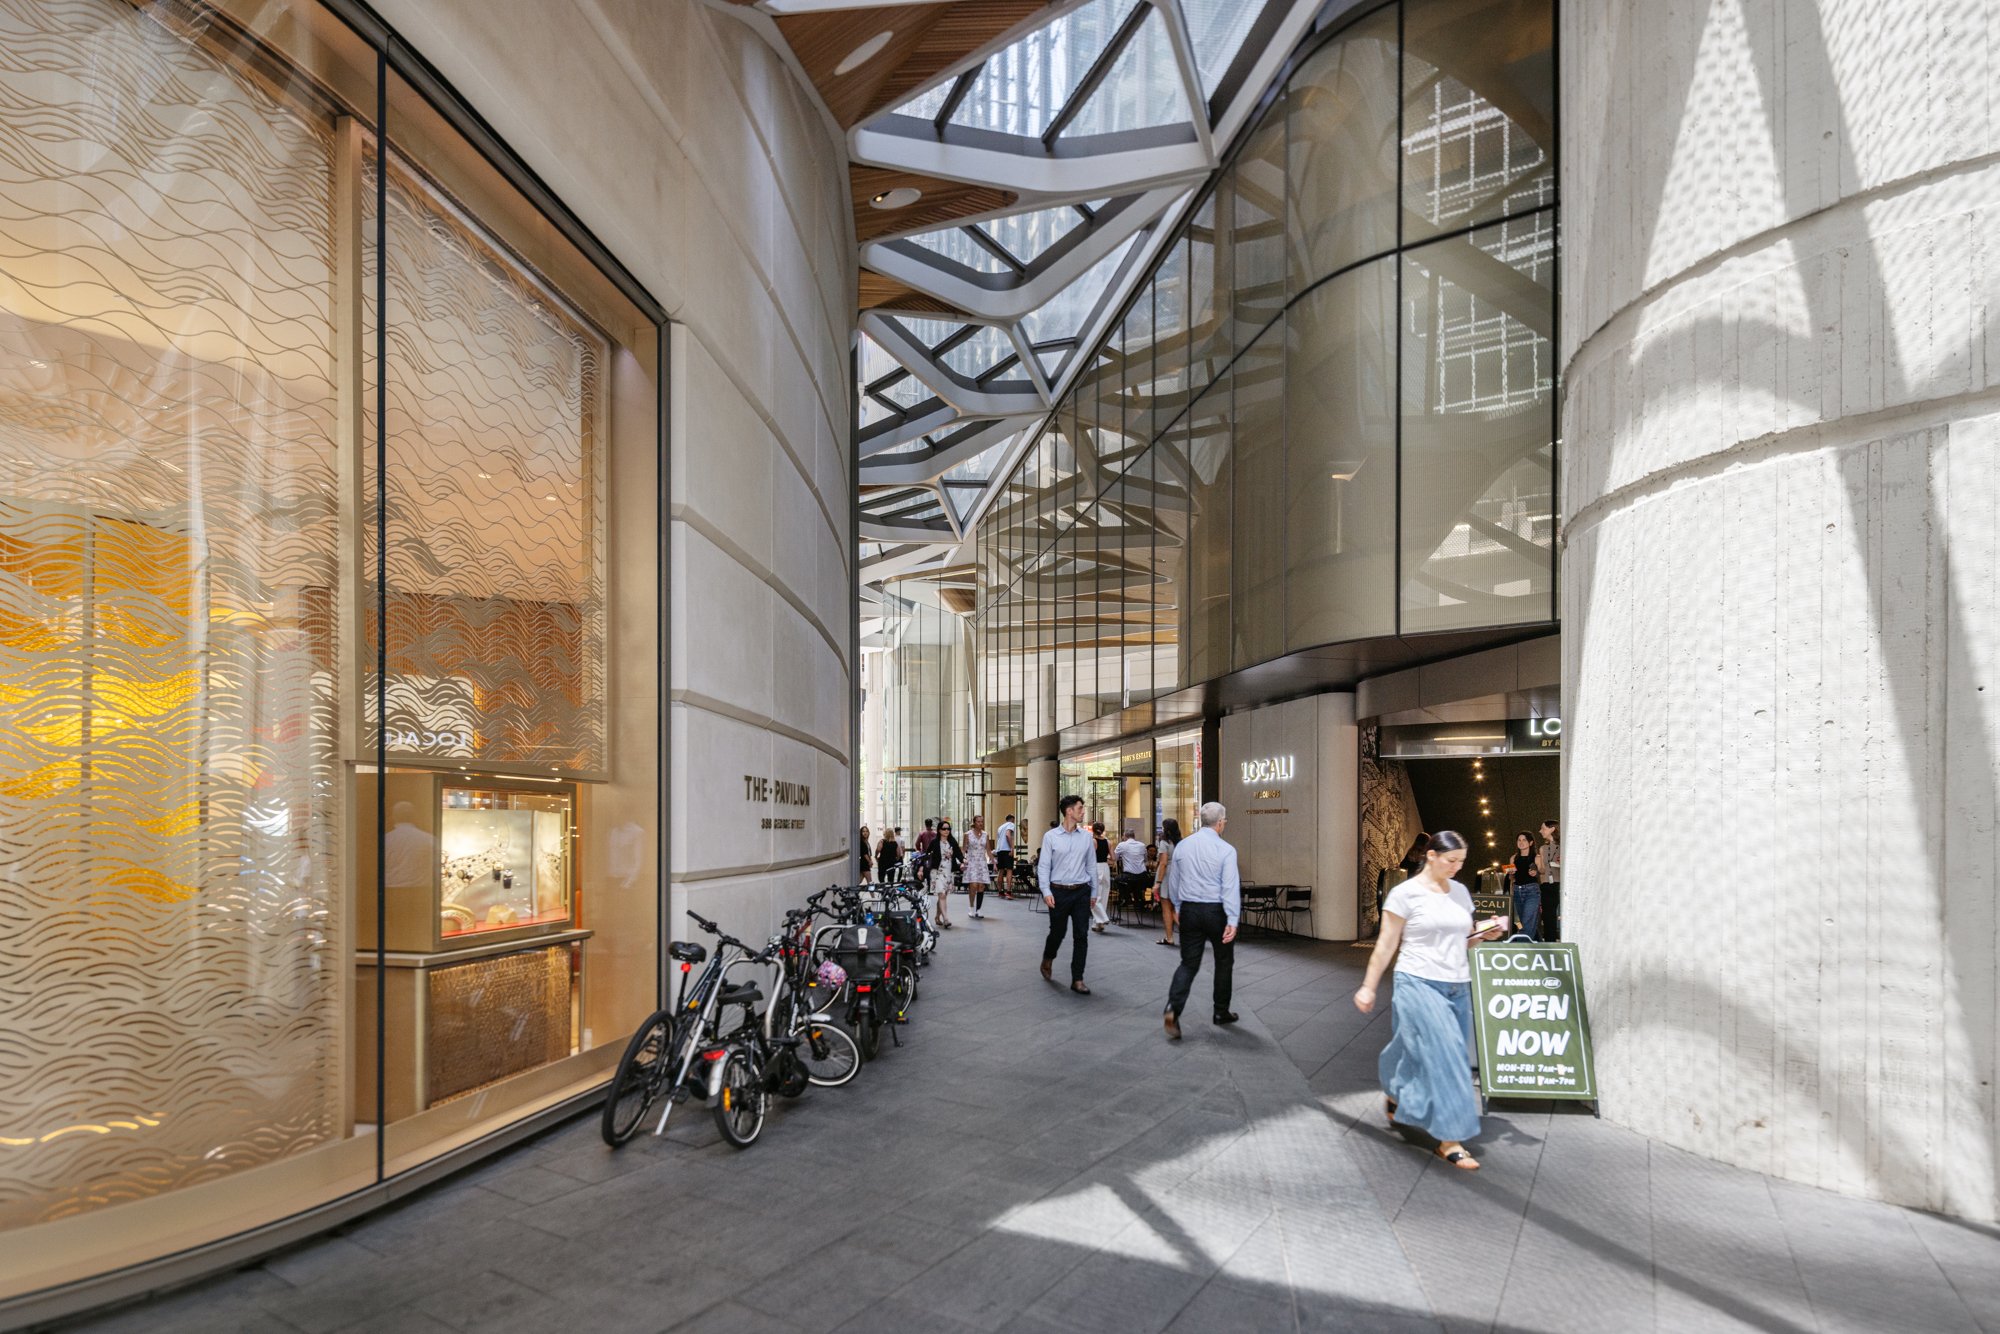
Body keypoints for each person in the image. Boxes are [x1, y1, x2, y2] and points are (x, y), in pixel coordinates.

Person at [1353, 830, 1505, 1171]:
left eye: (1461, 862)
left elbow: (1464, 940)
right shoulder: (1404, 894)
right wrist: (1368, 986)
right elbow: (1386, 944)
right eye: (1451, 860)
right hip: (1417, 982)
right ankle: (1450, 1138)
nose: (1456, 867)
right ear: (1431, 855)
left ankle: (1394, 1088)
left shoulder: (1461, 893)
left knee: (1409, 1047)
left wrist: (1484, 933)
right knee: (1450, 1055)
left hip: (1456, 984)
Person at [1161, 803, 1240, 1037]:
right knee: (1224, 962)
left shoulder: (1184, 846)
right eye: (1224, 820)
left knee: (1188, 963)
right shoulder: (1226, 850)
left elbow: (1175, 880)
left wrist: (1176, 906)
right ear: (1220, 822)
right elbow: (1229, 887)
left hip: (1190, 911)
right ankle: (1220, 1011)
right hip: (1217, 912)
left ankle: (1172, 1010)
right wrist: (1233, 919)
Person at [1038, 795, 1097, 994]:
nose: (1083, 811)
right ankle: (1048, 958)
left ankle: (1077, 979)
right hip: (1058, 892)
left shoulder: (1086, 837)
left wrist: (1094, 892)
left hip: (1081, 891)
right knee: (1058, 932)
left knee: (1081, 935)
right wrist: (1046, 891)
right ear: (1069, 811)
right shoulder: (1051, 837)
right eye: (1080, 808)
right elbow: (1044, 866)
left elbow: (1091, 865)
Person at [1153, 817, 1183, 947]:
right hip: (1179, 874)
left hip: (1167, 875)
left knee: (1167, 908)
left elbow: (1163, 863)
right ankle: (1190, 935)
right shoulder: (1180, 842)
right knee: (1176, 908)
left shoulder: (1164, 842)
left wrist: (1158, 882)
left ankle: (1169, 937)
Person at [1506, 831, 1540, 939]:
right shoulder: (1513, 858)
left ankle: (1521, 947)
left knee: (1527, 921)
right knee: (1522, 922)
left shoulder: (1537, 857)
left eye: (1524, 840)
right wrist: (1510, 874)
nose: (1521, 842)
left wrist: (1536, 872)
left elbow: (1542, 870)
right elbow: (1511, 878)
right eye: (1519, 840)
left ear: (1531, 843)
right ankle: (1537, 945)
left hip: (1532, 891)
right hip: (1517, 891)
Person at [1113, 827, 1148, 922]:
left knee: (1116, 880)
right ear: (1134, 836)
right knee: (1135, 884)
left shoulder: (1122, 845)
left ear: (1124, 836)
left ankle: (1127, 898)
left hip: (1129, 876)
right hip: (1143, 877)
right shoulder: (1142, 845)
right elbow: (1145, 860)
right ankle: (1138, 898)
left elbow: (1114, 858)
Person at [931, 818, 961, 928]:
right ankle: (946, 919)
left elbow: (958, 853)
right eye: (944, 829)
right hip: (937, 872)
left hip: (949, 872)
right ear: (939, 830)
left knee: (943, 896)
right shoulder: (934, 842)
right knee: (942, 894)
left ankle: (937, 916)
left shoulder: (952, 842)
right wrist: (921, 869)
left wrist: (963, 861)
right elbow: (927, 855)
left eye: (948, 829)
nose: (946, 831)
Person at [962, 814, 993, 919]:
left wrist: (994, 861)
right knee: (973, 885)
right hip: (971, 862)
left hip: (982, 862)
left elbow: (988, 850)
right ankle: (971, 907)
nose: (981, 823)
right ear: (974, 822)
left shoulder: (985, 834)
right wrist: (962, 861)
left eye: (982, 821)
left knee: (981, 886)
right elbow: (963, 849)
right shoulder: (967, 834)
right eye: (979, 821)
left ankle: (979, 909)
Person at [1535, 819, 1561, 940]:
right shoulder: (1542, 848)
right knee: (1547, 915)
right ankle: (1550, 943)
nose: (1540, 831)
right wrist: (1537, 866)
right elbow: (1542, 870)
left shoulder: (1564, 846)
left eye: (1543, 828)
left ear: (1552, 829)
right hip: (1546, 885)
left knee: (1563, 912)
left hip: (1560, 884)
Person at [1089, 821, 1113, 933]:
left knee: (1094, 896)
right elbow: (1113, 857)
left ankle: (1103, 918)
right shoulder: (1108, 842)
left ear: (1093, 830)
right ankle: (1098, 924)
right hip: (1105, 867)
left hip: (1096, 868)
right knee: (1104, 895)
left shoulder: (1093, 841)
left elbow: (1090, 857)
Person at [994, 811, 1017, 898]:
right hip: (1007, 849)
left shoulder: (1000, 827)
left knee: (1001, 870)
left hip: (999, 850)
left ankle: (1000, 891)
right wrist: (1012, 848)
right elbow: (1008, 835)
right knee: (1009, 870)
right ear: (1012, 819)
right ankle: (1009, 892)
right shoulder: (1011, 824)